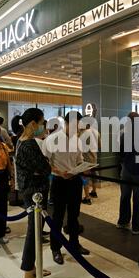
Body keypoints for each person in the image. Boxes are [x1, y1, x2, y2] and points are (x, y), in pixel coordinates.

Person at [43, 111, 90, 265]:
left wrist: (83, 167)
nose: (77, 128)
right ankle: (55, 248)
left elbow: (79, 159)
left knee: (74, 215)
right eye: (74, 124)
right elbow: (45, 162)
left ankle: (74, 244)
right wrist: (59, 172)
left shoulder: (77, 140)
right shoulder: (52, 139)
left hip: (74, 181)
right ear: (66, 122)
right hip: (59, 182)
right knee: (57, 216)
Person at [12, 108, 52, 278]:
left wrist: (42, 166)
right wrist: (45, 165)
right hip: (35, 192)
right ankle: (28, 274)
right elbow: (45, 168)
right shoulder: (29, 144)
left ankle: (34, 267)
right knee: (33, 232)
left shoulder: (20, 141)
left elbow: (39, 167)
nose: (43, 126)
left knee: (35, 232)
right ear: (33, 124)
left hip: (29, 190)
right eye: (42, 122)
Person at [117, 112, 139, 235]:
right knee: (138, 199)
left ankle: (123, 222)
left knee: (125, 197)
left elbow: (120, 153)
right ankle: (136, 226)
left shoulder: (124, 135)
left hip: (126, 170)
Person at [80, 121, 101, 205]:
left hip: (86, 158)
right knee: (94, 175)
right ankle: (94, 192)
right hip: (94, 157)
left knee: (85, 177)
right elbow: (100, 145)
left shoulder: (83, 134)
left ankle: (87, 197)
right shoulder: (96, 132)